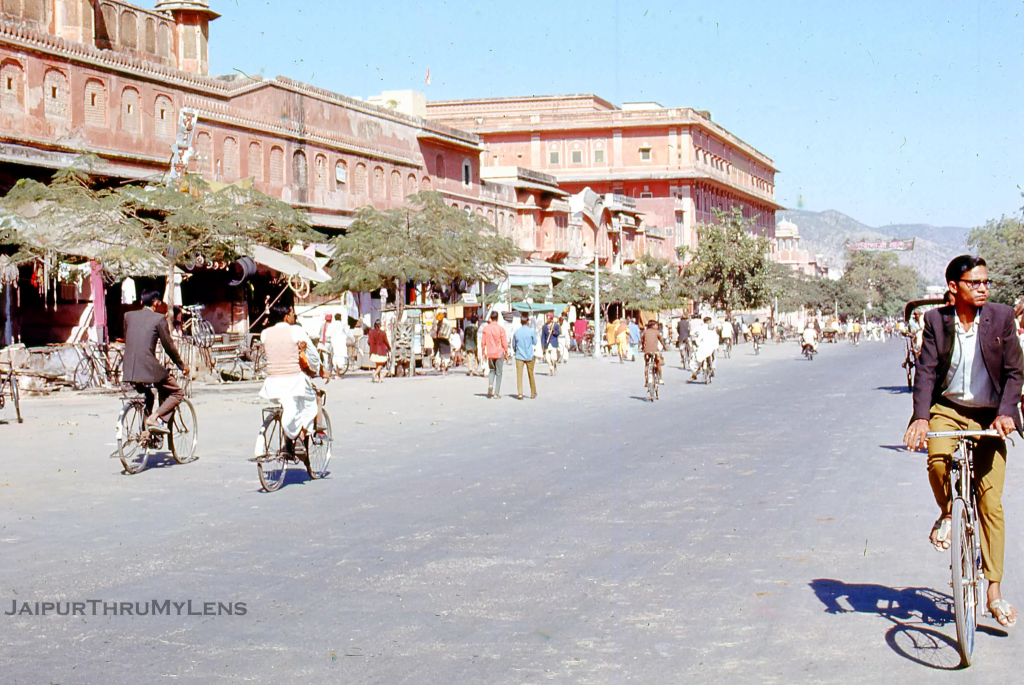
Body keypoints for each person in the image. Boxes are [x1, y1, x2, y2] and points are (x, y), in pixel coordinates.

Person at [903, 255, 1022, 629]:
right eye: (975, 282)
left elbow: (1015, 372)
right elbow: (925, 372)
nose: (983, 288)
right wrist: (921, 418)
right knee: (937, 460)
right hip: (949, 409)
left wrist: (1007, 412)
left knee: (990, 502)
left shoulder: (1002, 318)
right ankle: (948, 512)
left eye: (987, 282)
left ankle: (993, 591)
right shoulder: (936, 321)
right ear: (954, 287)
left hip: (990, 416)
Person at [258, 302, 324, 472]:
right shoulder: (295, 331)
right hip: (293, 380)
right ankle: (301, 436)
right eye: (293, 313)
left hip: (272, 383)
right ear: (286, 316)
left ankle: (291, 440)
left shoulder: (265, 333)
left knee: (291, 405)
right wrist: (319, 369)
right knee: (310, 402)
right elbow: (313, 355)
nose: (295, 316)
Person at [122, 290, 191, 434]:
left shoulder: (128, 316)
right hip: (147, 366)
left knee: (149, 394)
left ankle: (146, 434)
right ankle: (154, 418)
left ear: (141, 302)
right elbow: (168, 346)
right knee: (177, 392)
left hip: (129, 369)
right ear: (156, 303)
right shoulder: (158, 319)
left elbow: (131, 341)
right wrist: (181, 365)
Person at [481, 310, 510, 398]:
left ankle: (490, 383)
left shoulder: (486, 328)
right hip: (499, 352)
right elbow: (504, 343)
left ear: (490, 318)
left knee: (491, 370)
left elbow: (483, 342)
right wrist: (506, 353)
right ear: (497, 318)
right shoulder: (501, 329)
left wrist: (483, 352)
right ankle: (496, 393)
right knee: (499, 373)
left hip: (490, 352)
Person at [512, 313, 538, 399]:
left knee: (519, 375)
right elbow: (535, 342)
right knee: (531, 374)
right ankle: (533, 392)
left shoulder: (517, 332)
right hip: (529, 355)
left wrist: (516, 350)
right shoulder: (531, 331)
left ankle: (520, 393)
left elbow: (513, 344)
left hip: (519, 355)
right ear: (527, 322)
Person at [641, 319, 664, 387]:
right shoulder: (656, 332)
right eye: (656, 325)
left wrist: (643, 347)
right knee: (658, 363)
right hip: (655, 351)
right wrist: (665, 347)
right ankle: (660, 378)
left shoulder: (645, 332)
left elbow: (642, 341)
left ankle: (646, 381)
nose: (657, 326)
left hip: (647, 352)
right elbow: (661, 340)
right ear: (652, 326)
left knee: (647, 365)